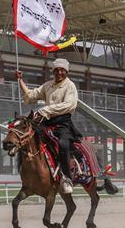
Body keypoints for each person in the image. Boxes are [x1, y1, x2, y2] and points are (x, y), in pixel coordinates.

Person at [16, 58, 80, 195]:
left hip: (63, 123)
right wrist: (20, 81)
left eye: (62, 70)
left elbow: (69, 105)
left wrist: (46, 110)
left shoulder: (70, 86)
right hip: (46, 122)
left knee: (63, 144)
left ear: (66, 72)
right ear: (53, 71)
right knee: (29, 139)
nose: (59, 72)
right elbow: (31, 96)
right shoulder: (48, 85)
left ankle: (67, 178)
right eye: (57, 70)